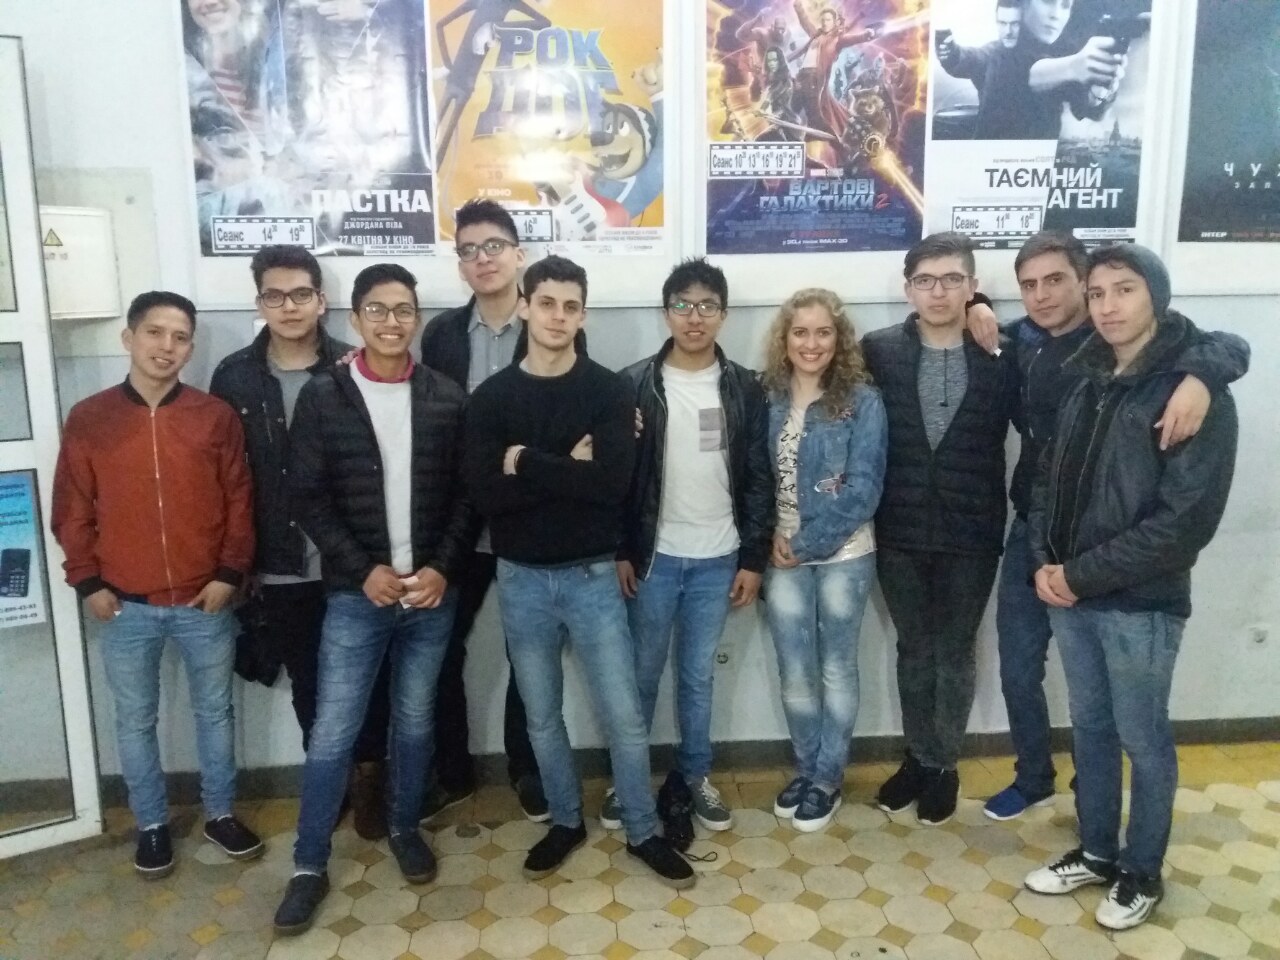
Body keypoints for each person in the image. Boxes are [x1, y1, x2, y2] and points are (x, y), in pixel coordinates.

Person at [978, 232, 1251, 821]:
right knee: (1020, 667)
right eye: (1029, 285)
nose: (1043, 295)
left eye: (1058, 280)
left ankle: (1095, 799)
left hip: (1111, 546)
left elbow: (1224, 344)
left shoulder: (1122, 345)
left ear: (1083, 283)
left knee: (1110, 709)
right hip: (1036, 529)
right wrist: (977, 301)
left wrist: (1202, 378)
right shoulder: (1023, 341)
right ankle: (1035, 778)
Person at [1023, 245, 1239, 931]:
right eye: (1098, 293)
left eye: (1125, 290)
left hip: (1140, 603)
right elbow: (1046, 479)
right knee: (1089, 729)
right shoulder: (1086, 380)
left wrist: (1076, 574)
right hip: (1070, 594)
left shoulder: (1192, 393)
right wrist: (1045, 562)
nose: (1108, 306)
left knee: (1142, 740)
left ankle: (1141, 871)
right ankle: (1096, 851)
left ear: (1156, 297)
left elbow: (1183, 526)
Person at [465, 254, 694, 889]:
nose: (558, 316)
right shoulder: (492, 398)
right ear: (525, 307)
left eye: (570, 306)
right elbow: (485, 496)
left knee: (623, 715)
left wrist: (523, 461)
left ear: (583, 315)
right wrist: (568, 466)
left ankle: (643, 830)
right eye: (546, 303)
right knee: (541, 714)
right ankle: (565, 821)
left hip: (592, 576)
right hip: (521, 578)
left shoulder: (608, 391)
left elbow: (611, 487)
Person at [273, 264, 474, 935]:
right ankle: (308, 864)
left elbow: (466, 497)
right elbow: (307, 497)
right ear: (355, 319)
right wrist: (363, 571)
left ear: (418, 318)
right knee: (334, 730)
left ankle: (404, 826)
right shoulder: (325, 396)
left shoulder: (445, 397)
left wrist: (442, 568)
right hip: (358, 597)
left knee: (414, 722)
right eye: (378, 310)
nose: (392, 322)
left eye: (404, 310)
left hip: (430, 597)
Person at [52, 291, 261, 878]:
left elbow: (240, 499)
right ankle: (150, 825)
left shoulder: (214, 416)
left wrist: (229, 574)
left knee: (215, 712)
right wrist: (88, 581)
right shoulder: (90, 418)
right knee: (135, 719)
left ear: (190, 348)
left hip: (205, 600)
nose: (166, 346)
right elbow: (72, 508)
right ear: (129, 338)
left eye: (180, 337)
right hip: (125, 603)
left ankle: (220, 813)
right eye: (154, 332)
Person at [210, 245, 397, 842]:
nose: (288, 306)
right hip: (282, 561)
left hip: (353, 560)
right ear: (259, 301)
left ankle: (371, 780)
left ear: (321, 300)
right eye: (274, 295)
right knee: (310, 684)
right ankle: (330, 782)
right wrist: (236, 559)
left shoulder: (353, 365)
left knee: (370, 678)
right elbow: (227, 476)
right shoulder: (234, 376)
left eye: (300, 294)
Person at [862, 233, 1016, 826]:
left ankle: (943, 765)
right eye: (925, 281)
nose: (939, 292)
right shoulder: (879, 351)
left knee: (954, 652)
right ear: (908, 290)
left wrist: (988, 313)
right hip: (897, 528)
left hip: (972, 532)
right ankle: (917, 758)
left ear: (972, 286)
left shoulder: (1003, 351)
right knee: (913, 649)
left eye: (953, 279)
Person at [615, 258, 773, 835]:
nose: (694, 317)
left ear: (723, 315)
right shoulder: (633, 383)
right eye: (682, 305)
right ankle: (629, 782)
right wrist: (622, 550)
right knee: (640, 676)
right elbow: (619, 479)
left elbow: (758, 478)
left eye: (707, 306)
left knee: (698, 677)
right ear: (666, 313)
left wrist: (752, 558)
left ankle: (696, 775)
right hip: (653, 559)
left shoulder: (746, 386)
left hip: (718, 558)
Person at [418, 199, 563, 822]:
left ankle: (526, 767)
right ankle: (452, 770)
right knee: (440, 646)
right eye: (469, 250)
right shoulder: (442, 335)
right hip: (457, 517)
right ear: (460, 264)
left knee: (528, 651)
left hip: (527, 515)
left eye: (494, 246)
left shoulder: (549, 319)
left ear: (518, 254)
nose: (483, 259)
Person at [762, 289, 887, 832]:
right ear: (784, 339)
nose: (811, 344)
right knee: (794, 671)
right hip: (780, 551)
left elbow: (864, 490)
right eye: (800, 332)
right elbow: (753, 475)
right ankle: (806, 768)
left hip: (843, 553)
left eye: (823, 332)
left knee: (836, 668)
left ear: (839, 339)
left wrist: (805, 544)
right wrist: (773, 539)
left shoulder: (863, 400)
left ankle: (828, 780)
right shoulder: (767, 395)